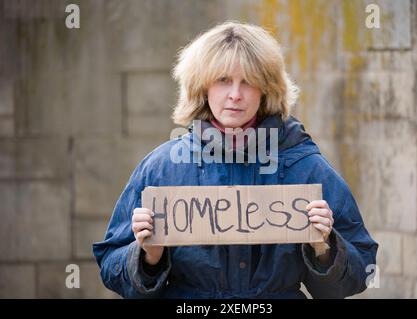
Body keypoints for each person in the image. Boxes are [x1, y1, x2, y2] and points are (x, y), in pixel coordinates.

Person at [93, 21, 378, 299]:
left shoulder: (305, 166)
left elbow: (361, 272)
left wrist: (325, 249)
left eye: (249, 82)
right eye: (223, 80)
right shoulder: (162, 167)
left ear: (266, 89)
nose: (235, 95)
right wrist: (147, 257)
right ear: (202, 87)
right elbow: (110, 265)